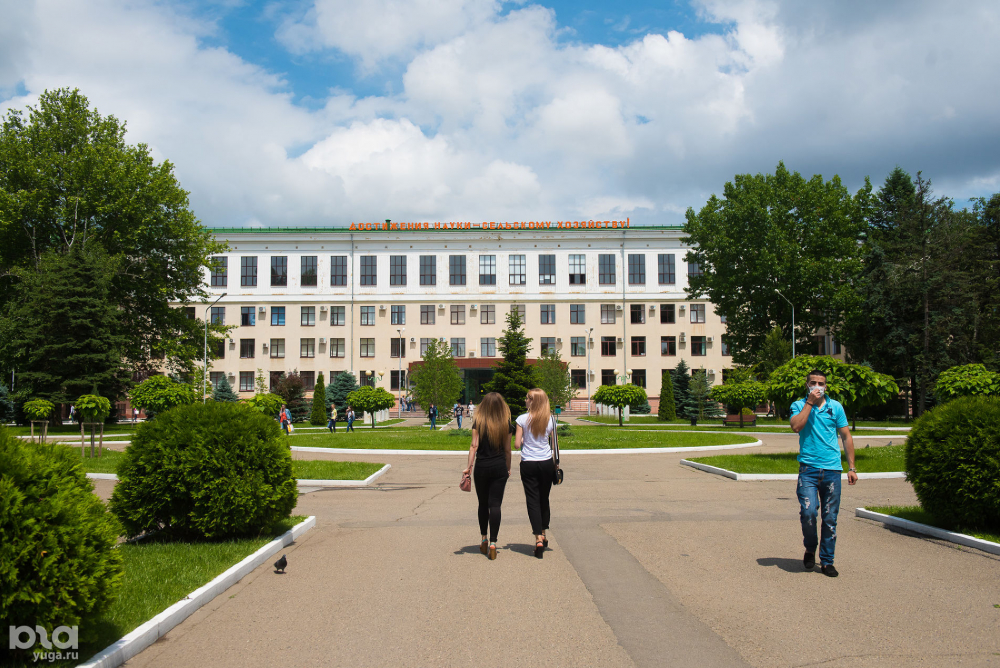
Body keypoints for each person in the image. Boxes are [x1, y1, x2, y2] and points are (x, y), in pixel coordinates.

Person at [789, 369, 857, 578]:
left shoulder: (835, 407)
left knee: (830, 518)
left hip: (832, 470)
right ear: (807, 384)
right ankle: (810, 548)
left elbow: (846, 436)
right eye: (813, 383)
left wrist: (851, 468)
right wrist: (809, 402)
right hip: (808, 469)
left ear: (826, 386)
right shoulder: (799, 405)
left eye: (821, 383)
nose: (818, 387)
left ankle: (827, 561)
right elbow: (796, 427)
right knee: (808, 514)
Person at [462, 392, 512, 560]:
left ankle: (483, 538)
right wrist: (508, 467)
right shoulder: (506, 423)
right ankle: (493, 543)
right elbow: (507, 449)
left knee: (483, 504)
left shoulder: (479, 422)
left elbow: (473, 445)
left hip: (482, 467)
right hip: (499, 467)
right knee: (495, 505)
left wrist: (468, 467)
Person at [516, 388, 558, 559]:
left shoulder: (522, 419)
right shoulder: (551, 419)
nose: (525, 400)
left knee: (532, 500)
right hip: (546, 462)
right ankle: (544, 533)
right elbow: (554, 444)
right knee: (544, 498)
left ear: (534, 401)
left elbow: (517, 444)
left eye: (528, 398)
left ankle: (538, 539)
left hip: (529, 463)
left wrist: (526, 439)